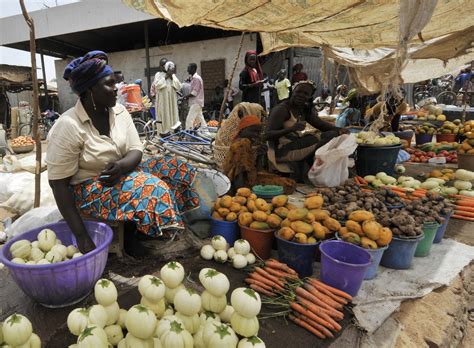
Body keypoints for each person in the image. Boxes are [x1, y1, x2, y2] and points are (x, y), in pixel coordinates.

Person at [46, 50, 199, 254]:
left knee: (178, 168)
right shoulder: (68, 125)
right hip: (88, 188)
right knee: (153, 190)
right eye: (109, 84)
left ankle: (152, 228)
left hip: (122, 171)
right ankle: (138, 239)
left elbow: (136, 149)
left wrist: (120, 166)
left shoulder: (119, 111)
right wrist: (82, 237)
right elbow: (58, 184)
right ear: (90, 90)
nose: (116, 88)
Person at [265, 80, 347, 180]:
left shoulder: (303, 108)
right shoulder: (282, 109)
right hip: (282, 151)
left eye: (305, 94)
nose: (301, 95)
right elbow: (267, 135)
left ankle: (314, 172)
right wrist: (291, 129)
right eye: (298, 92)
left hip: (294, 144)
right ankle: (313, 173)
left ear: (309, 97)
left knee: (330, 134)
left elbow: (320, 124)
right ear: (292, 92)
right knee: (325, 137)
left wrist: (341, 130)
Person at [223, 115, 297, 193]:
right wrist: (243, 193)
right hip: (242, 183)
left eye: (258, 132)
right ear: (242, 130)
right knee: (288, 185)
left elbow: (257, 169)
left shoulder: (248, 144)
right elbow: (239, 173)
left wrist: (259, 155)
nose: (256, 135)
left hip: (250, 179)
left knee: (287, 182)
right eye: (253, 131)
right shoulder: (242, 143)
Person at [152, 61, 181, 132]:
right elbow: (157, 86)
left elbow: (179, 86)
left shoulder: (173, 75)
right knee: (164, 117)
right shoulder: (158, 75)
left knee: (173, 116)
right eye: (163, 65)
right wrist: (165, 77)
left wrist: (171, 77)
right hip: (163, 102)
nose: (165, 66)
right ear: (160, 66)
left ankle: (173, 133)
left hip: (171, 101)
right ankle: (163, 133)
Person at [185, 63, 207, 129]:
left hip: (196, 102)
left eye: (189, 68)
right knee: (201, 121)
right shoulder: (193, 78)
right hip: (197, 102)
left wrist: (185, 97)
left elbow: (194, 93)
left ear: (193, 69)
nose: (187, 70)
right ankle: (207, 134)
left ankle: (188, 136)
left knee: (189, 120)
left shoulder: (197, 79)